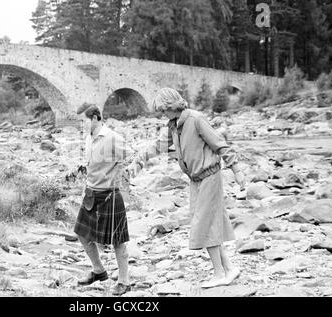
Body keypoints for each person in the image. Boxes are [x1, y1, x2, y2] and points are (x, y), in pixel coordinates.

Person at [127, 88, 245, 289]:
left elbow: (220, 144)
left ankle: (219, 274)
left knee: (205, 223)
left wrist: (237, 169)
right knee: (208, 223)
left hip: (210, 175)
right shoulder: (173, 126)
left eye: (163, 111)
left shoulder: (196, 119)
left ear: (170, 106)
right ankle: (229, 269)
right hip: (196, 180)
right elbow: (156, 147)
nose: (162, 115)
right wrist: (136, 164)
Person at [73, 103, 132, 296]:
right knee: (82, 234)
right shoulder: (89, 138)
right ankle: (98, 271)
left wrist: (119, 177)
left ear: (96, 118)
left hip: (110, 194)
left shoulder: (113, 138)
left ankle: (124, 281)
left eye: (84, 121)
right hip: (91, 194)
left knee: (118, 241)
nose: (81, 126)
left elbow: (129, 158)